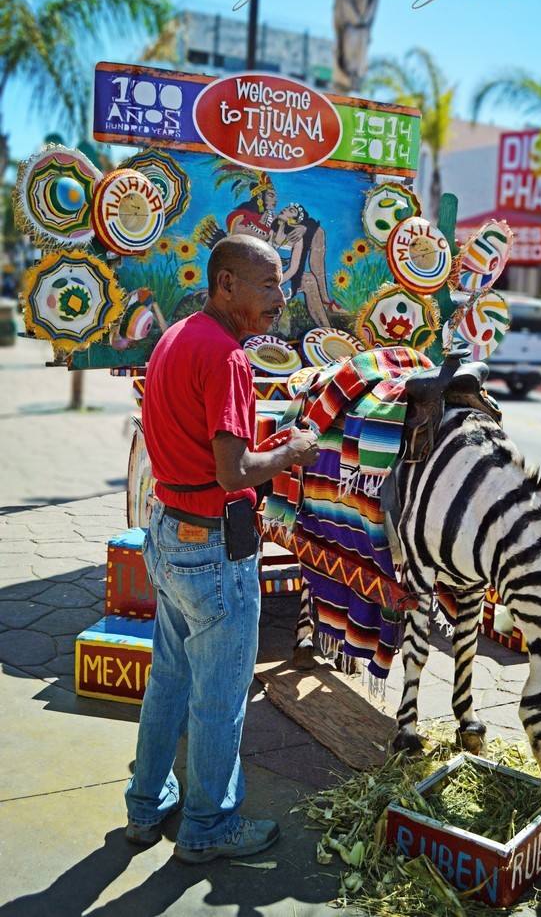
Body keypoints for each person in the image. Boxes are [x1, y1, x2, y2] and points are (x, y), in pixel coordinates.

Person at [124, 234, 319, 864]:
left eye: (282, 284)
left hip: (169, 532)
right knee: (220, 699)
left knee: (169, 681)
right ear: (226, 284)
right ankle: (207, 825)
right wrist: (291, 451)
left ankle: (145, 805)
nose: (280, 297)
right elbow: (234, 471)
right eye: (267, 284)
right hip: (213, 545)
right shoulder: (228, 357)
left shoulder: (177, 337)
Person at [272, 203, 333, 326]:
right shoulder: (270, 232)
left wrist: (277, 282)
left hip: (283, 280)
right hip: (264, 277)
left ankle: (327, 329)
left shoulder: (296, 240)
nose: (285, 209)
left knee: (308, 281)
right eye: (286, 208)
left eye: (291, 211)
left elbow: (293, 268)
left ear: (295, 221)